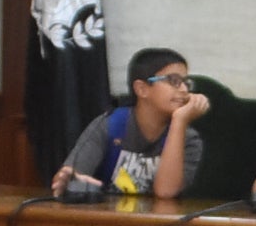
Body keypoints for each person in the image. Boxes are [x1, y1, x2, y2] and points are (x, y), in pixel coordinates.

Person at [55, 46, 207, 198]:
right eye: (174, 81)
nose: (184, 89)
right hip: (106, 211)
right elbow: (70, 176)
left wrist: (179, 122)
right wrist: (69, 180)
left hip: (159, 214)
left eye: (186, 82)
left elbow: (165, 192)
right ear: (142, 89)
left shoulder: (188, 139)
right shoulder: (109, 125)